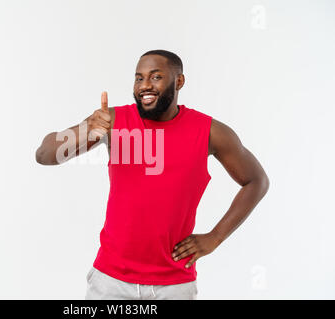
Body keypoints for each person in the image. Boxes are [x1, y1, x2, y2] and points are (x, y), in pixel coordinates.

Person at [35, 49, 269, 300]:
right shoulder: (112, 121)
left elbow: (256, 181)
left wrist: (215, 237)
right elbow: (45, 154)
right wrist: (89, 130)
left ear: (179, 81)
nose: (144, 85)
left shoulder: (210, 132)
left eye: (156, 77)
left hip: (174, 284)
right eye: (139, 78)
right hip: (111, 281)